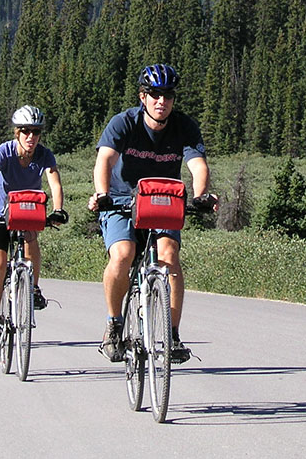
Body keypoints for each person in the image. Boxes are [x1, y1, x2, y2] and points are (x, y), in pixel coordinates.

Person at [87, 64, 218, 364]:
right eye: (155, 95)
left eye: (168, 95)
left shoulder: (184, 126)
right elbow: (104, 160)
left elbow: (198, 165)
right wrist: (103, 194)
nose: (162, 102)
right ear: (143, 97)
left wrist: (199, 195)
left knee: (169, 255)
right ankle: (113, 324)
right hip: (121, 198)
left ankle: (172, 335)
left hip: (162, 200)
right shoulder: (124, 123)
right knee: (122, 254)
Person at [0, 105, 69, 357]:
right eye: (26, 131)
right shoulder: (4, 151)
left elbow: (55, 183)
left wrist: (58, 209)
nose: (31, 137)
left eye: (36, 132)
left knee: (31, 243)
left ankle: (33, 288)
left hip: (26, 213)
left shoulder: (44, 155)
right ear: (17, 133)